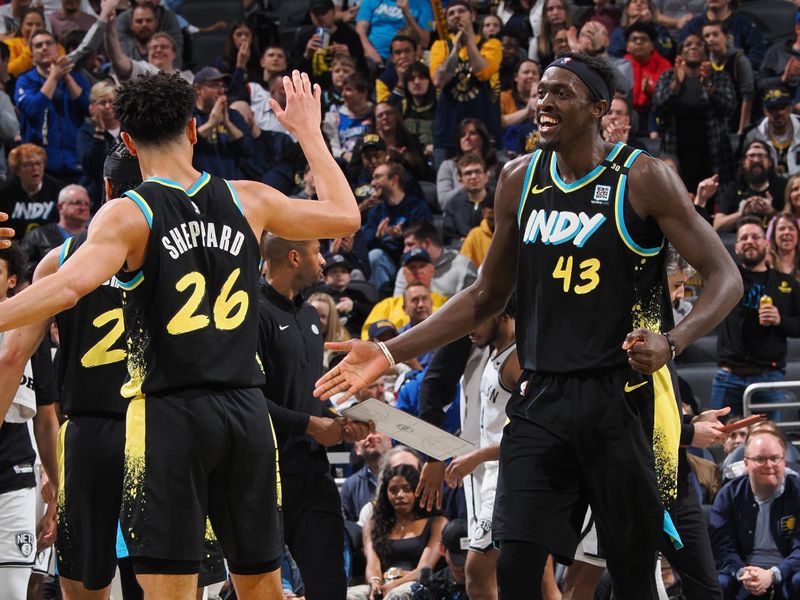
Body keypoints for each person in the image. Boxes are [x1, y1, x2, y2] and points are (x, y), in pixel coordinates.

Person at [316, 52, 742, 600]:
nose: (543, 103)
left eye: (560, 92)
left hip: (620, 400)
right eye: (540, 91)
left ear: (596, 108)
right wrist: (389, 351)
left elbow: (724, 276)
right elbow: (486, 294)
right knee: (513, 565)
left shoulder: (641, 178)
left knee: (633, 574)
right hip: (541, 400)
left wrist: (674, 341)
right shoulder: (519, 179)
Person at [0, 69, 361, 599]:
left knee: (171, 589)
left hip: (167, 416)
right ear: (194, 129)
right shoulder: (247, 198)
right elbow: (345, 214)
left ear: (126, 139)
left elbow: (68, 288)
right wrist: (308, 131)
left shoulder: (129, 212)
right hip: (245, 409)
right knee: (261, 584)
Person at [0, 143, 141, 599]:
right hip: (160, 423)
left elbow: (10, 357)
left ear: (104, 188)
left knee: (83, 582)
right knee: (167, 575)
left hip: (89, 431)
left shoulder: (58, 259)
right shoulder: (175, 250)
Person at [259, 236, 369, 600]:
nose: (324, 260)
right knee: (257, 588)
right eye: (317, 252)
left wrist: (343, 421)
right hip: (265, 477)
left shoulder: (309, 315)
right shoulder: (250, 312)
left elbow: (309, 394)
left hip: (313, 473)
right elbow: (247, 400)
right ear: (294, 257)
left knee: (330, 587)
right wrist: (310, 425)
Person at [443, 299, 520, 600]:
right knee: (536, 578)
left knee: (476, 572)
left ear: (500, 314)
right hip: (495, 477)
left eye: (476, 321)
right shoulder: (495, 352)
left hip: (510, 479)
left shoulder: (519, 359)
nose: (469, 331)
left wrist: (475, 456)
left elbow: (528, 434)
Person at [0, 243, 59, 600]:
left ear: (12, 281)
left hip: (14, 476)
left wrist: (55, 485)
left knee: (14, 591)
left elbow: (47, 415)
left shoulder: (27, 331)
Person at [711, 216, 800, 418]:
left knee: (769, 443)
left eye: (755, 236)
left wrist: (780, 320)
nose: (749, 241)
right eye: (743, 238)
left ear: (767, 244)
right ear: (736, 248)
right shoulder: (724, 280)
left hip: (769, 377)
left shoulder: (787, 284)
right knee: (719, 441)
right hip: (728, 376)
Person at [709, 428, 800, 599]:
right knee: (715, 584)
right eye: (760, 459)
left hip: (789, 570)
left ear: (784, 462)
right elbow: (722, 546)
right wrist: (742, 572)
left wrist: (773, 574)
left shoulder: (797, 491)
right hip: (742, 572)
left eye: (775, 458)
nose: (769, 465)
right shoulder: (729, 494)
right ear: (746, 463)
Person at [652, 33, 737, 193]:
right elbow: (657, 107)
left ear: (706, 53)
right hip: (677, 155)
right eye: (688, 44)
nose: (693, 47)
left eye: (699, 44)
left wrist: (709, 87)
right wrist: (676, 85)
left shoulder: (719, 77)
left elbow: (730, 107)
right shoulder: (668, 77)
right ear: (680, 53)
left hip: (713, 155)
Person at [348, 464, 447, 600]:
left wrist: (392, 586)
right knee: (349, 595)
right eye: (393, 490)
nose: (400, 495)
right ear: (385, 494)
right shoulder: (373, 524)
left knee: (396, 596)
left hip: (417, 585)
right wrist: (375, 583)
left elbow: (425, 569)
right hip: (383, 583)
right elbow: (373, 562)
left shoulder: (437, 522)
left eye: (406, 489)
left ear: (417, 491)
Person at [430, 0, 501, 170]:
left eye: (461, 11)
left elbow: (482, 71)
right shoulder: (440, 46)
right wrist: (455, 49)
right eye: (451, 13)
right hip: (447, 132)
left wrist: (468, 41)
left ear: (473, 15)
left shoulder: (491, 44)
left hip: (484, 131)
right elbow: (439, 80)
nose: (456, 15)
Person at [15, 28, 90, 183]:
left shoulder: (76, 77)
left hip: (75, 163)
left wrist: (66, 76)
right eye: (38, 45)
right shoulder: (25, 81)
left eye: (49, 43)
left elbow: (87, 108)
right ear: (31, 55)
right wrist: (54, 78)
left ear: (57, 48)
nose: (44, 47)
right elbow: (33, 110)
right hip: (41, 168)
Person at [361, 161, 431, 291]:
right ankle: (379, 302)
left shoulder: (417, 207)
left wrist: (401, 236)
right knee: (375, 256)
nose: (372, 183)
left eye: (378, 177)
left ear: (394, 180)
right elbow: (365, 243)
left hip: (412, 258)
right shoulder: (376, 211)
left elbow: (426, 239)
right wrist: (377, 237)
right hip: (387, 262)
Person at [714, 140, 786, 233]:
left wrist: (771, 212)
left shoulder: (782, 186)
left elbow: (794, 224)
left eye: (761, 156)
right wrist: (741, 214)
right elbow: (717, 226)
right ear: (743, 163)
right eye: (751, 156)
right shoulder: (734, 188)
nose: (756, 160)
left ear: (770, 162)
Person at [20, 183, 90, 278]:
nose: (83, 207)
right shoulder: (37, 236)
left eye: (87, 204)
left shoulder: (94, 235)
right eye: (77, 203)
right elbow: (23, 267)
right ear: (60, 207)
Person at [395, 220, 477, 298]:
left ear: (426, 243)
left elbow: (473, 306)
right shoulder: (406, 270)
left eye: (410, 244)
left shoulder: (463, 266)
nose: (405, 250)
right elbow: (397, 306)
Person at [0, 143, 64, 241]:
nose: (35, 168)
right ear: (17, 170)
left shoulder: (58, 189)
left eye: (38, 163)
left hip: (51, 246)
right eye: (28, 164)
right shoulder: (4, 192)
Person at [702, 20, 753, 136]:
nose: (711, 39)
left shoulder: (739, 60)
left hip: (736, 118)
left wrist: (742, 130)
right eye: (707, 36)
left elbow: (748, 96)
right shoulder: (705, 63)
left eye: (715, 34)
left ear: (726, 37)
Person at [77, 80, 121, 210]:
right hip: (98, 195)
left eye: (111, 101)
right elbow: (90, 165)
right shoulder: (86, 131)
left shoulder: (129, 128)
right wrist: (99, 133)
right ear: (93, 107)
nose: (108, 106)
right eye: (102, 103)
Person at [744, 87, 800, 179]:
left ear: (790, 108)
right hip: (768, 185)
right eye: (772, 109)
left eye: (782, 107)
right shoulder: (753, 136)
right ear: (765, 111)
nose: (778, 113)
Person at [340, 431, 394, 521]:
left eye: (375, 432)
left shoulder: (406, 476)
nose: (369, 437)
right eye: (363, 434)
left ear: (389, 440)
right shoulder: (350, 485)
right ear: (357, 449)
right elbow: (349, 528)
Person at [444, 154, 494, 245]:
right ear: (460, 180)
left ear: (486, 177)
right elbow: (448, 238)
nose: (473, 176)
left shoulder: (497, 202)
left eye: (478, 171)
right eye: (468, 173)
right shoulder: (453, 205)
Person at [114, 0, 182, 67]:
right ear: (131, 25)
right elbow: (118, 54)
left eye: (149, 20)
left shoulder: (169, 17)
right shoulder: (123, 19)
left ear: (156, 23)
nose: (144, 24)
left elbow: (176, 55)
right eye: (139, 21)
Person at [460, 196, 494, 267]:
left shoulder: (511, 234)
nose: (494, 222)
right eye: (491, 218)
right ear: (483, 212)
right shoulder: (474, 234)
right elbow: (463, 263)